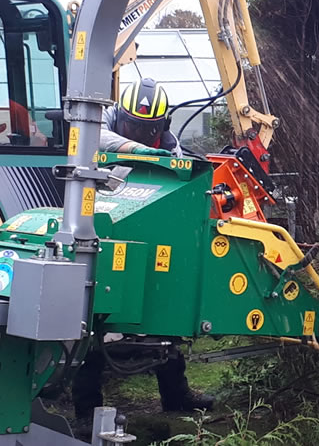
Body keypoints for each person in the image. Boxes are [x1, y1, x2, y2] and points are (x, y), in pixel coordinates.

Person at [71, 77, 213, 421]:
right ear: (119, 117)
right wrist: (141, 150)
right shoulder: (98, 131)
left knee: (164, 312)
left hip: (152, 243)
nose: (137, 134)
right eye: (131, 125)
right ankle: (87, 408)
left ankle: (176, 396)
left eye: (146, 129)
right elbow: (95, 138)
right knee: (90, 320)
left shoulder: (173, 153)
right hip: (101, 237)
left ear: (161, 127)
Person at [97, 78, 181, 156]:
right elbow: (95, 135)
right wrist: (133, 147)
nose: (138, 133)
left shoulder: (171, 147)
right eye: (133, 125)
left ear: (164, 125)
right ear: (118, 113)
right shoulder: (106, 116)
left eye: (147, 129)